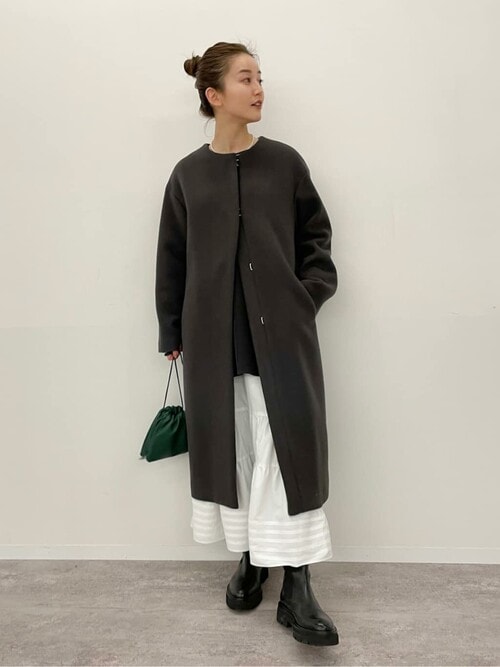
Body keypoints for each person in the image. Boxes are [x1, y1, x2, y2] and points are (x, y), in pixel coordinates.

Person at [155, 41, 339, 647]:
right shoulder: (187, 174)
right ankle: (252, 557)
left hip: (281, 339)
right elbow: (172, 257)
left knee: (286, 448)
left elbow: (316, 239)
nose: (259, 89)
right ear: (214, 94)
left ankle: (298, 585)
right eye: (246, 79)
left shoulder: (284, 163)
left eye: (260, 77)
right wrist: (172, 330)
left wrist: (304, 298)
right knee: (235, 446)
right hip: (213, 341)